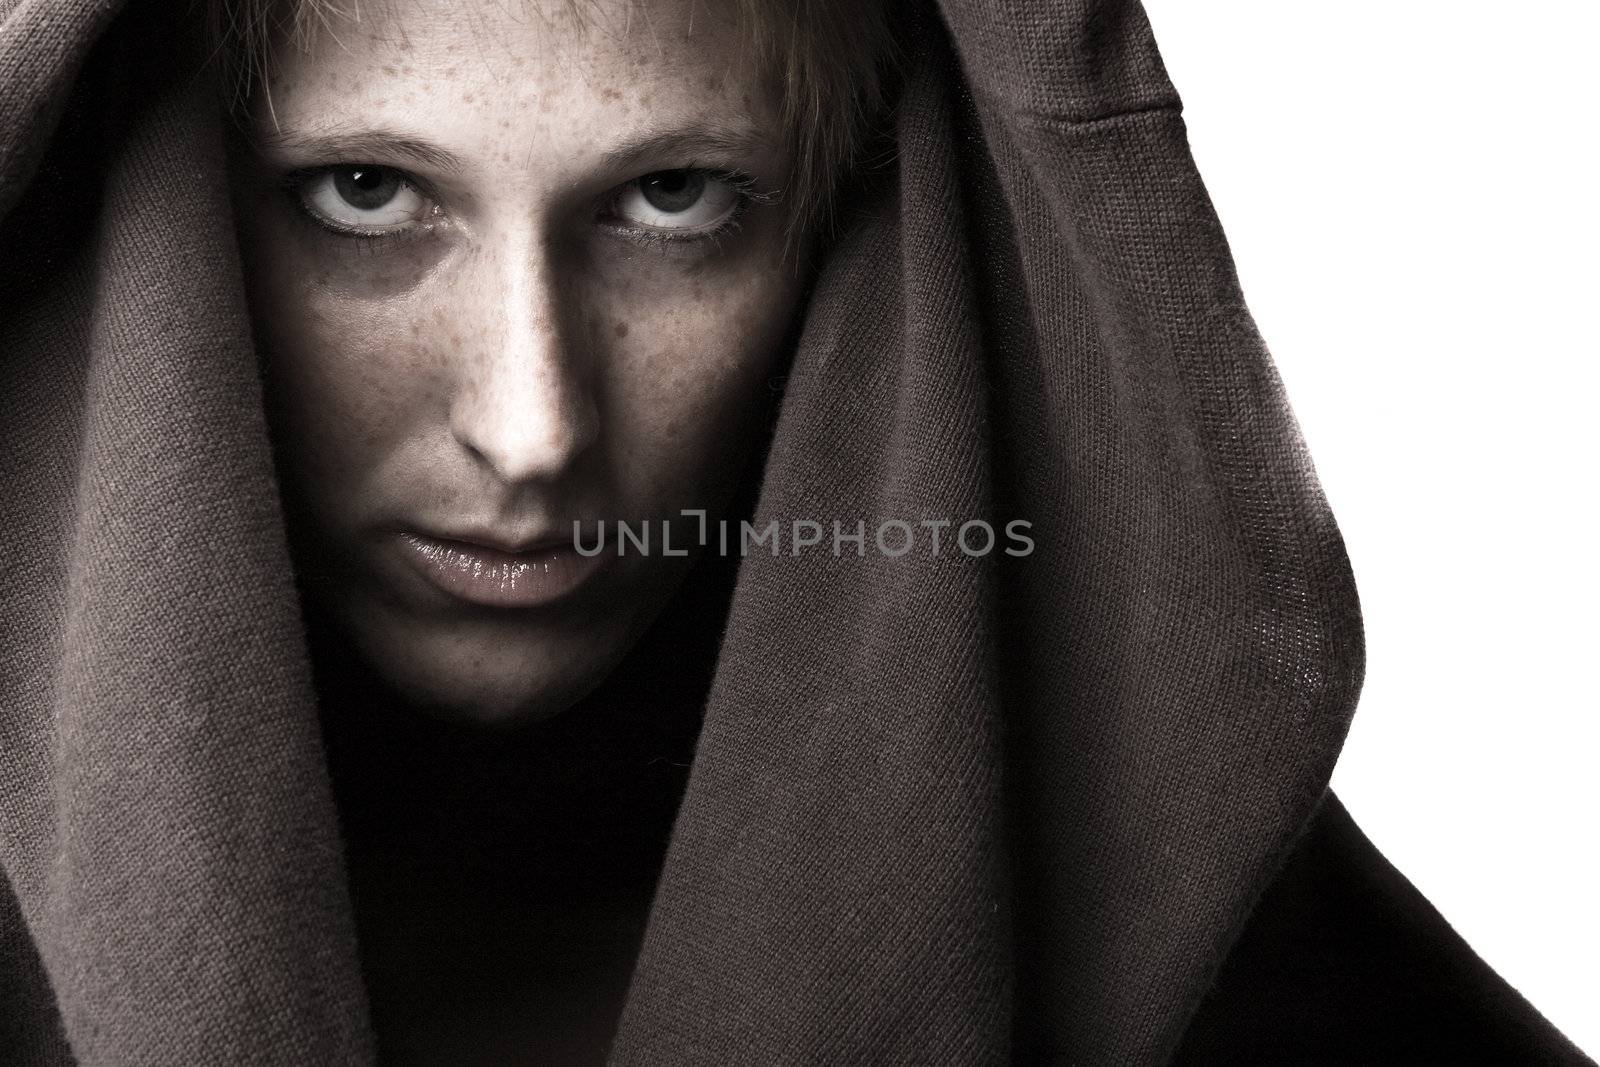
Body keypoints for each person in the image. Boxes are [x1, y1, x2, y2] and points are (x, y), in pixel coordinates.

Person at [0, 0, 1589, 1063]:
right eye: (365, 192)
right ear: (161, 221)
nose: (534, 425)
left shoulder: (1222, 956)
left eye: (678, 201)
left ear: (855, 232)